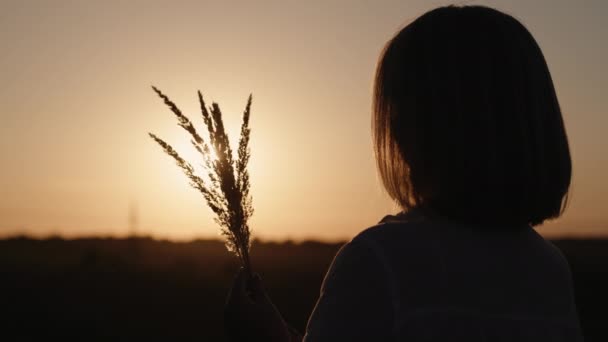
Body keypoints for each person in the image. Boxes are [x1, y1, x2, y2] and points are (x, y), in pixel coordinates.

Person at [224, 5, 583, 341]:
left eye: (398, 110)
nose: (393, 128)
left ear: (418, 127)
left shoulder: (381, 261)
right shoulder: (549, 269)